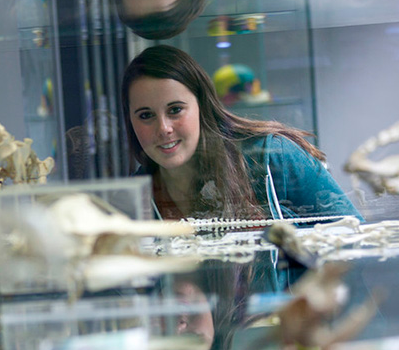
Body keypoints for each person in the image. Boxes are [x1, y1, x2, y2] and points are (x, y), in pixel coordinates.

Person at [121, 45, 361, 222]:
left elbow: (353, 238)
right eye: (145, 115)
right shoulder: (133, 199)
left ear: (202, 106)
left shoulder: (274, 157)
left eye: (175, 110)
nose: (163, 128)